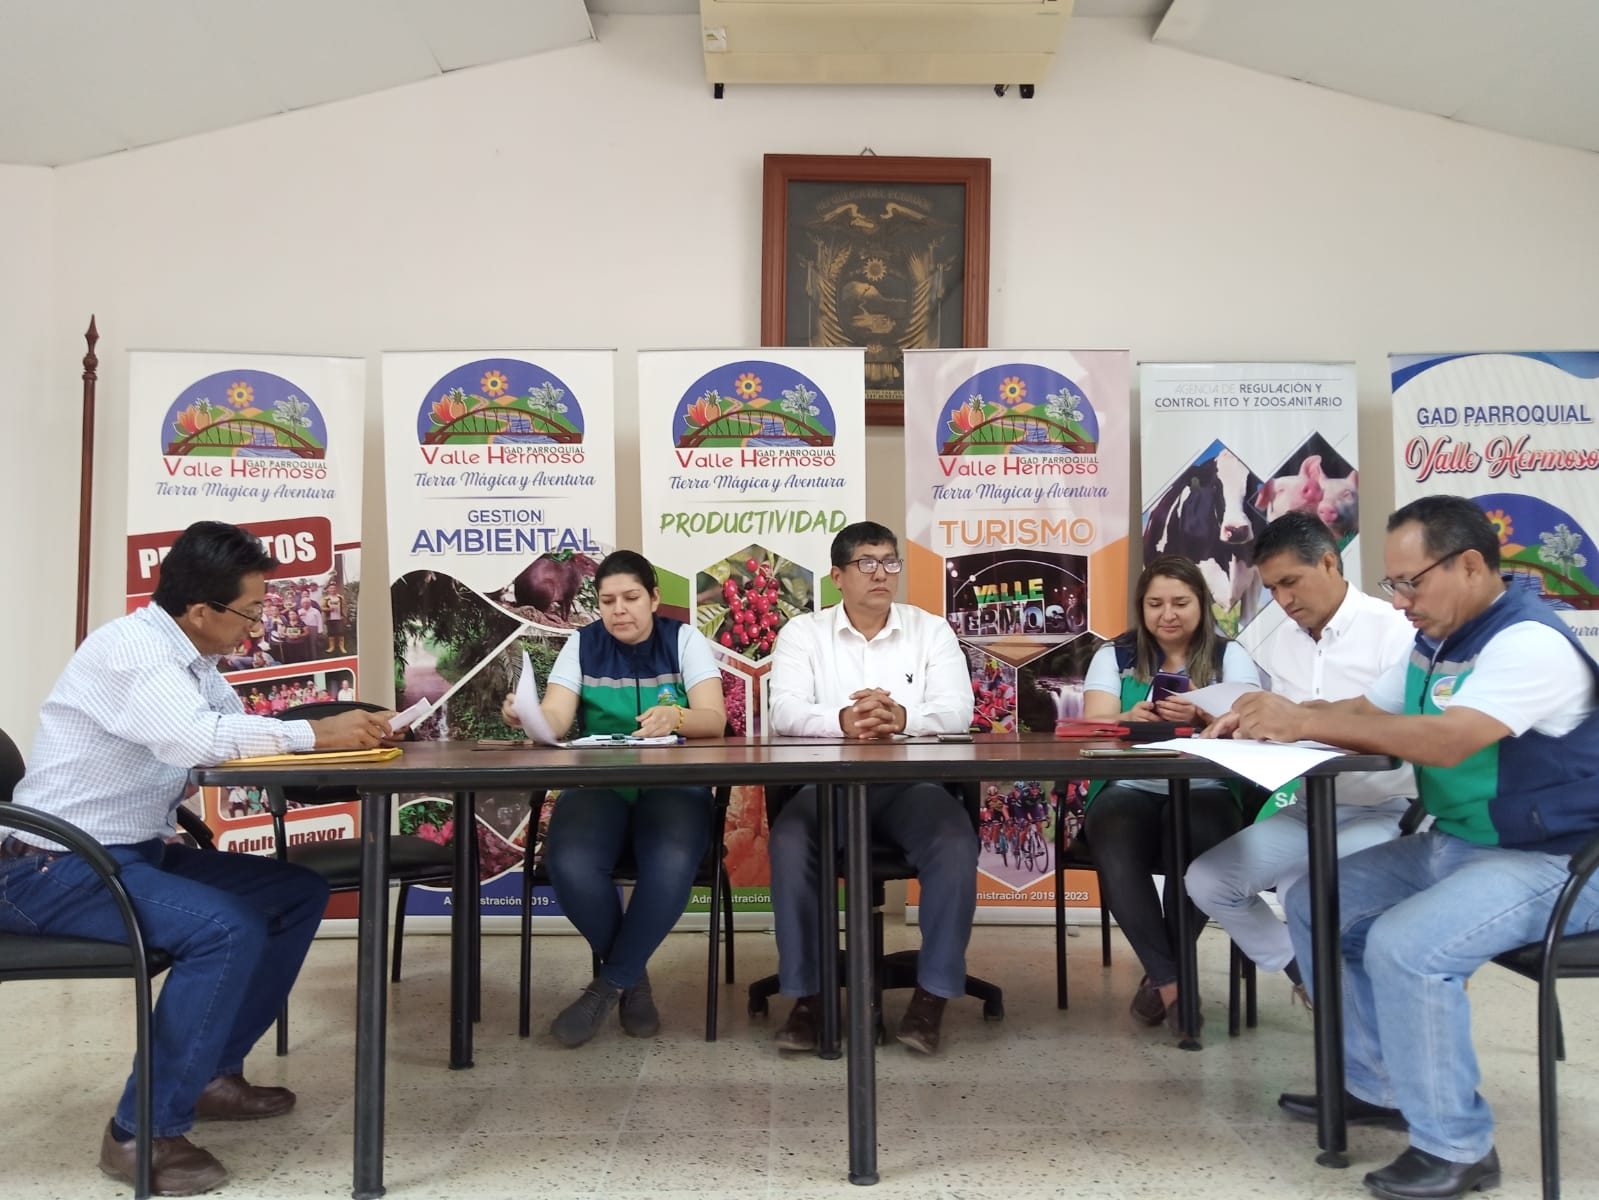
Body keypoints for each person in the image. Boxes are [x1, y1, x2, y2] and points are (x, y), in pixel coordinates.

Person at [0, 520, 394, 1196]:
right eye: (249, 610)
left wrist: (335, 735)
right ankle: (138, 1134)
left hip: (125, 852)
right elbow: (196, 740)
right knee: (224, 928)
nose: (256, 625)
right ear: (201, 609)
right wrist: (312, 733)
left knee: (293, 893)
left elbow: (228, 737)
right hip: (53, 868)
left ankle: (209, 1074)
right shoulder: (134, 651)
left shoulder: (194, 661)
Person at [1236, 496, 1599, 1200]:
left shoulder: (1527, 642)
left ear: (1470, 565)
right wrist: (1274, 715)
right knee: (1316, 900)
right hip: (1461, 844)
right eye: (1392, 584)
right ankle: (1376, 1086)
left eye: (1411, 583)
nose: (1399, 601)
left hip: (1554, 861)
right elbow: (1364, 711)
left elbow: (1447, 739)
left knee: (1407, 946)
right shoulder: (1435, 642)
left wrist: (1301, 722)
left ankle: (1457, 1147)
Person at [766, 520, 977, 1055]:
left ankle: (932, 996)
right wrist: (845, 721)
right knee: (790, 841)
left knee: (954, 842)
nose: (881, 573)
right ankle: (809, 997)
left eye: (889, 562)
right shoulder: (803, 633)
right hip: (828, 785)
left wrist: (900, 716)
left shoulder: (930, 630)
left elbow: (959, 710)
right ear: (838, 576)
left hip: (911, 784)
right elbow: (784, 710)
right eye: (866, 563)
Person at [1185, 512, 1416, 1001]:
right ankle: (1312, 979)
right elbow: (1288, 728)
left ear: (1330, 563)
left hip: (1387, 807)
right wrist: (1246, 724)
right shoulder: (1283, 644)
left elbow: (1399, 729)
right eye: (1272, 588)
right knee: (1207, 880)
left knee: (1303, 889)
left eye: (1291, 582)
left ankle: (1345, 999)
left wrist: (1297, 722)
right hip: (1310, 807)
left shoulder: (1393, 631)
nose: (1284, 600)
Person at [501, 550, 726, 1048]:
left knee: (670, 861)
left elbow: (715, 719)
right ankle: (632, 979)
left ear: (654, 598)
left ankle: (605, 988)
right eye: (607, 601)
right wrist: (526, 715)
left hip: (673, 785)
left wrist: (677, 718)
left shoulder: (683, 639)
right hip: (598, 784)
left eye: (630, 598)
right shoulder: (581, 643)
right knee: (570, 863)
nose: (619, 609)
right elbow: (556, 720)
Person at [1080, 554, 1263, 1034]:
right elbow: (1094, 722)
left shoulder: (1229, 656)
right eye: (1155, 604)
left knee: (1199, 837)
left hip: (1207, 786)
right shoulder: (1116, 655)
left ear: (1201, 604)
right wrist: (1127, 718)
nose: (1168, 614)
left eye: (1180, 603)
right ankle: (1172, 982)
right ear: (1141, 607)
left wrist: (1204, 712)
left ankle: (1162, 978)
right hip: (1128, 783)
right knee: (1114, 835)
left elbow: (1252, 723)